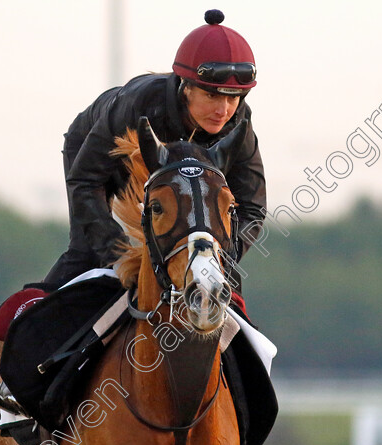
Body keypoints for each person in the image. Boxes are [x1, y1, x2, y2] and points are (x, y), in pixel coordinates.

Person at [43, 9, 266, 291]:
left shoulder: (238, 125)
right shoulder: (139, 105)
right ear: (186, 89)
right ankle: (26, 315)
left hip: (173, 178)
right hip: (106, 162)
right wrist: (118, 253)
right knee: (88, 254)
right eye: (211, 96)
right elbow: (85, 181)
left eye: (233, 98)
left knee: (217, 278)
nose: (223, 111)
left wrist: (219, 256)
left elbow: (252, 208)